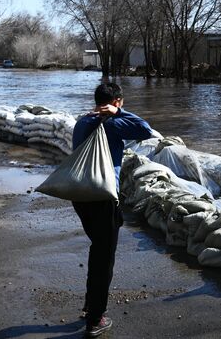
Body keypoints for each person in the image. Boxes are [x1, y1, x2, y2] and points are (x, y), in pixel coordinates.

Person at [72, 83, 153, 337]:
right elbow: (145, 130)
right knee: (104, 257)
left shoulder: (82, 122)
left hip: (80, 195)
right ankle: (96, 318)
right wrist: (118, 114)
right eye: (121, 103)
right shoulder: (113, 123)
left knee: (98, 249)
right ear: (117, 101)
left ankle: (90, 304)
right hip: (103, 197)